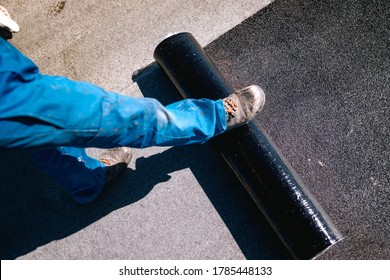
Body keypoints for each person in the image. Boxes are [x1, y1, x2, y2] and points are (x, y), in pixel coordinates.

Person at [0, 5, 265, 203]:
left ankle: (85, 183)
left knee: (35, 136)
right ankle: (213, 118)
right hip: (10, 93)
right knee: (122, 118)